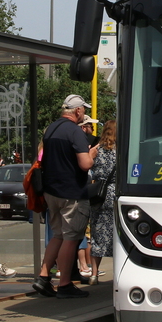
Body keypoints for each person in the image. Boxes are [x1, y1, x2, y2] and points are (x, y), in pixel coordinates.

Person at [33, 95, 98, 299]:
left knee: (58, 235)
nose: (84, 114)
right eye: (84, 111)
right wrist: (92, 154)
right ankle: (65, 284)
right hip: (72, 193)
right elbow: (85, 164)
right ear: (77, 111)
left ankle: (43, 277)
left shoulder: (51, 129)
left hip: (51, 191)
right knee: (71, 238)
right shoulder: (74, 132)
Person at [88, 120, 118, 286]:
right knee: (116, 235)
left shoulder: (96, 150)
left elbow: (89, 169)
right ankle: (117, 273)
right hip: (114, 193)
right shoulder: (119, 151)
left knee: (97, 235)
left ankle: (94, 274)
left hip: (97, 194)